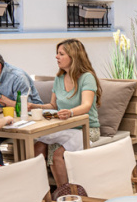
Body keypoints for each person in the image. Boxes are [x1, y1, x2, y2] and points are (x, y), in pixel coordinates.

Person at [29, 39, 101, 186]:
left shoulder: (87, 77)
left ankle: (64, 193)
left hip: (86, 129)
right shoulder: (59, 78)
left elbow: (86, 105)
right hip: (63, 128)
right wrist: (34, 106)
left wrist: (70, 112)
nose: (56, 57)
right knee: (37, 147)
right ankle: (36, 189)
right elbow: (53, 105)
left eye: (61, 54)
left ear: (73, 56)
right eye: (57, 53)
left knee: (57, 154)